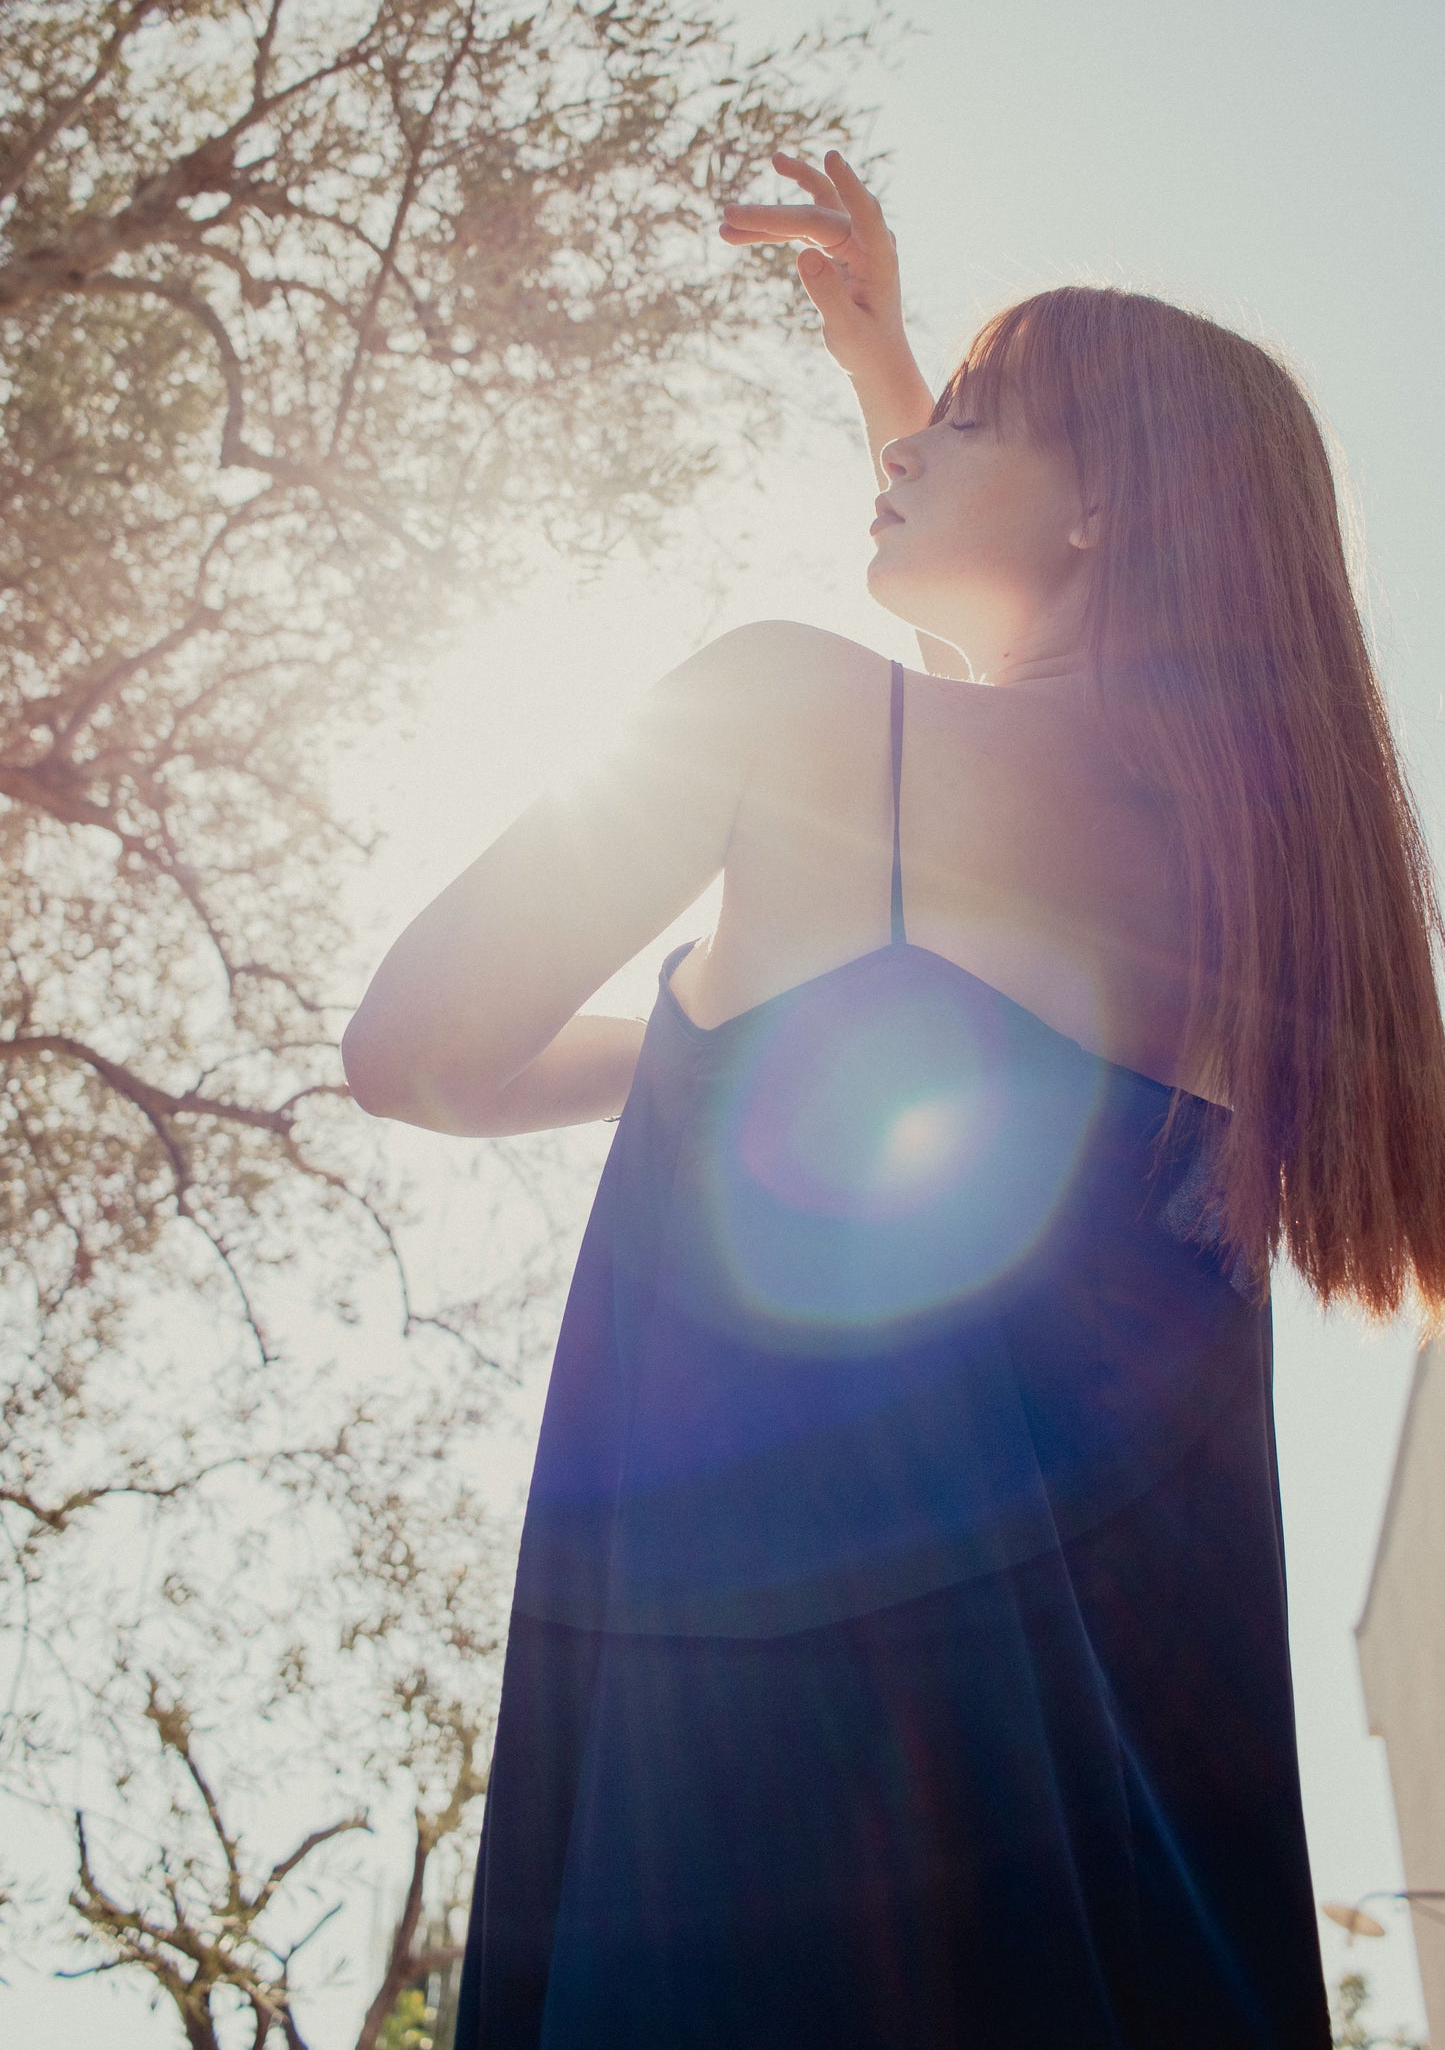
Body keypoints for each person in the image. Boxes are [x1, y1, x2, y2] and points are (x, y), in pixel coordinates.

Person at [341, 149, 1445, 2048]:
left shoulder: (795, 714)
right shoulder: (1269, 917)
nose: (911, 445)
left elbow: (413, 1052)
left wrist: (705, 1059)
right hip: (1125, 1907)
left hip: (773, 1815)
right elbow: (991, 814)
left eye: (973, 421)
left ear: (1105, 504)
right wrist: (895, 380)